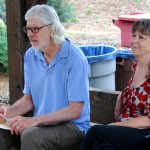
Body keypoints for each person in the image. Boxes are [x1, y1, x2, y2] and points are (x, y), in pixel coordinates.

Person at [0, 4, 90, 150]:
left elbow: (75, 110)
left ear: (53, 29)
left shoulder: (74, 58)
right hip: (41, 125)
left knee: (31, 136)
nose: (29, 34)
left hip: (73, 127)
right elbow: (28, 100)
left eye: (35, 29)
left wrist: (34, 121)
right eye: (28, 28)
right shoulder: (31, 55)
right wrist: (6, 113)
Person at [79, 18, 150, 150]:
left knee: (95, 132)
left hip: (144, 135)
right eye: (133, 35)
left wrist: (114, 126)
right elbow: (136, 94)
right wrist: (122, 96)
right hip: (127, 132)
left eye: (141, 37)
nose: (134, 41)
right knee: (103, 148)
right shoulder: (136, 65)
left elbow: (148, 120)